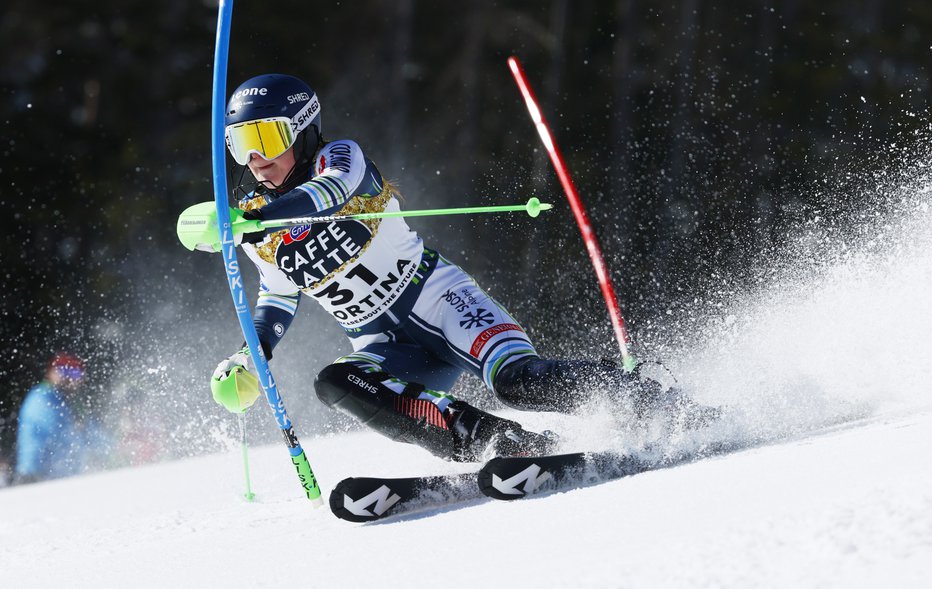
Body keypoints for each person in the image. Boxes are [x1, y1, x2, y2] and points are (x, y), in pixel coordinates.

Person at [203, 74, 712, 463]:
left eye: (266, 139)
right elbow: (277, 297)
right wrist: (252, 355)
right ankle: (499, 443)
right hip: (385, 347)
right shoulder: (253, 224)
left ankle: (649, 398)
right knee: (337, 382)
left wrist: (254, 217)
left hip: (441, 303)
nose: (253, 158)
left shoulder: (339, 158)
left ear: (303, 130)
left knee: (516, 382)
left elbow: (330, 193)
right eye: (238, 144)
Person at [14, 353, 108, 483]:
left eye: (76, 373)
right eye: (65, 372)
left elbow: (94, 436)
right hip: (40, 477)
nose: (71, 379)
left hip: (65, 478)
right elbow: (52, 434)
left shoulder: (70, 401)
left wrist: (113, 450)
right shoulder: (41, 398)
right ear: (52, 372)